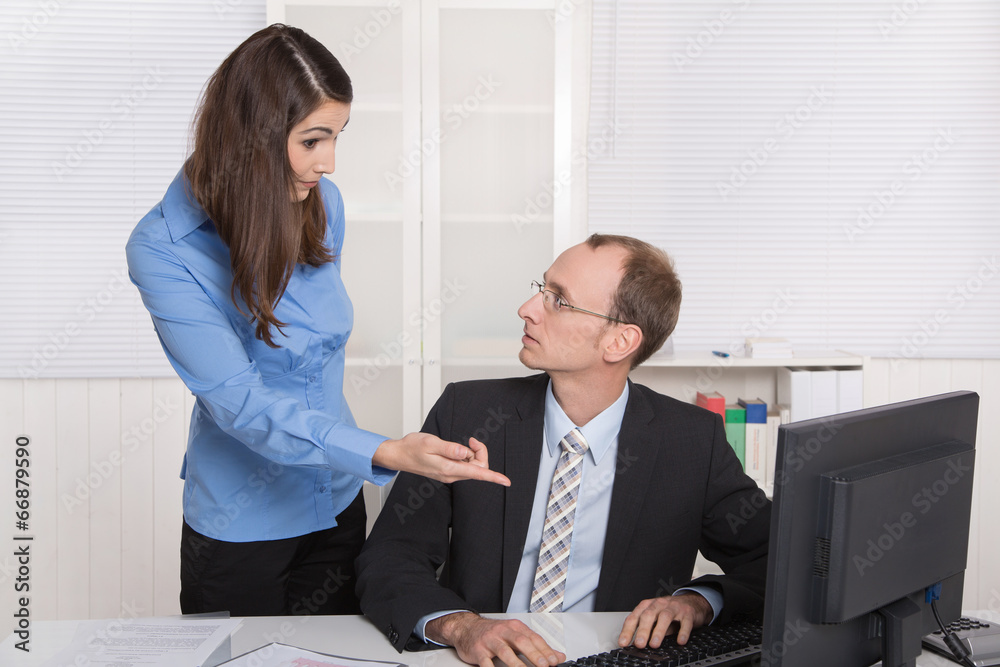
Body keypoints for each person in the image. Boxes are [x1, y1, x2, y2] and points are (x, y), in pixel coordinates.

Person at [125, 24, 508, 617]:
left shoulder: (320, 204)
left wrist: (371, 458)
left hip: (335, 496)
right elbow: (243, 407)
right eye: (312, 140)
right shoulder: (163, 248)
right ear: (250, 137)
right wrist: (387, 452)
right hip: (240, 525)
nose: (328, 162)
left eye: (337, 137)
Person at [355, 234, 771, 667]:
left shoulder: (691, 441)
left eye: (559, 300)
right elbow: (390, 554)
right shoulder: (469, 412)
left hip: (613, 658)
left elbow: (777, 558)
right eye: (542, 289)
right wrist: (463, 626)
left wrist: (698, 602)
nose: (527, 309)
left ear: (620, 342)